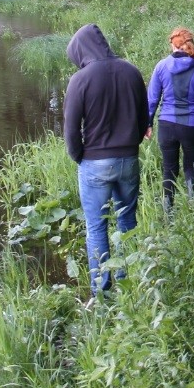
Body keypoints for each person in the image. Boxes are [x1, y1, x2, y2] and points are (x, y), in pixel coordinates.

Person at [63, 23, 149, 298]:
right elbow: (142, 117)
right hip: (129, 159)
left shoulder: (81, 79)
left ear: (81, 51)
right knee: (127, 222)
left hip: (94, 163)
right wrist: (131, 145)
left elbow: (70, 127)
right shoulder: (131, 71)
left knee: (97, 227)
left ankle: (102, 292)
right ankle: (127, 283)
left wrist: (80, 157)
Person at [148, 27, 194, 213]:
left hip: (167, 126)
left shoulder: (161, 66)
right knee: (191, 167)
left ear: (173, 45)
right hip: (192, 126)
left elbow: (152, 99)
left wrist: (148, 123)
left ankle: (168, 214)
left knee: (169, 169)